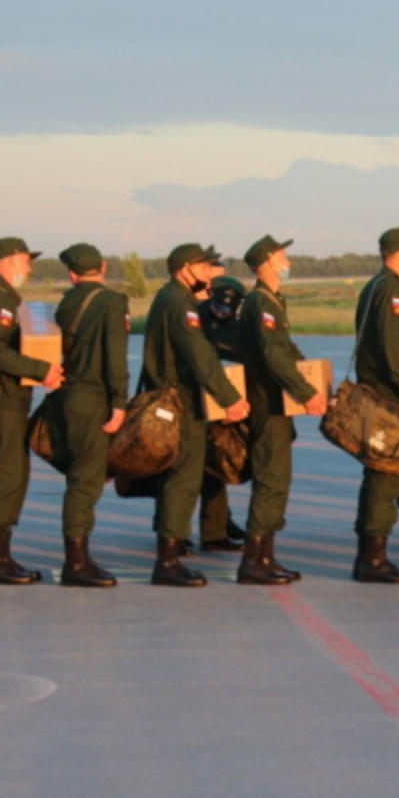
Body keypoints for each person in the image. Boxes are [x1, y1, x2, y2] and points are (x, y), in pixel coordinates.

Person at [138, 243, 249, 586]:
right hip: (182, 402)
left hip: (169, 398)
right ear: (184, 268)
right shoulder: (180, 303)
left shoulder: (167, 298)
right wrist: (229, 398)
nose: (206, 271)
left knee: (180, 479)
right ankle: (168, 561)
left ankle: (170, 553)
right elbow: (199, 355)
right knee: (184, 481)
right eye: (201, 266)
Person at [0, 236, 61, 584]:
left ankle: (2, 556)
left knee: (14, 475)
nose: (29, 267)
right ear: (7, 260)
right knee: (4, 477)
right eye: (25, 260)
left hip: (10, 399)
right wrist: (39, 369)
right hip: (1, 399)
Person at [237, 235, 326, 584]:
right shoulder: (261, 303)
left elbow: (287, 350)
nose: (288, 260)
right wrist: (306, 392)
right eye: (282, 255)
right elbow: (275, 355)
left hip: (277, 403)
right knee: (270, 480)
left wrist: (314, 382)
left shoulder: (272, 300)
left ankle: (266, 555)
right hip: (268, 402)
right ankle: (252, 561)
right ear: (267, 261)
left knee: (278, 479)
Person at [350, 227, 399, 583]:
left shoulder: (374, 286)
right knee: (386, 474)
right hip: (388, 397)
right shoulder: (393, 291)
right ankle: (373, 560)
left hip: (378, 393)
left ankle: (370, 554)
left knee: (380, 473)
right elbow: (394, 349)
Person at [50, 243, 128, 587]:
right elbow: (115, 357)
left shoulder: (67, 303)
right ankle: (77, 564)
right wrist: (120, 402)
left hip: (70, 395)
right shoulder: (112, 303)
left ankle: (78, 558)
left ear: (72, 273)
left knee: (82, 478)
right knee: (85, 483)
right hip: (94, 397)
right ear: (104, 267)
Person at [196, 274, 248, 551]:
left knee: (216, 469)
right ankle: (171, 533)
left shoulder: (238, 329)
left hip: (222, 408)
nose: (221, 311)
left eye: (228, 308)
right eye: (218, 304)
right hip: (193, 404)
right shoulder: (193, 318)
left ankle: (215, 531)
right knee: (182, 474)